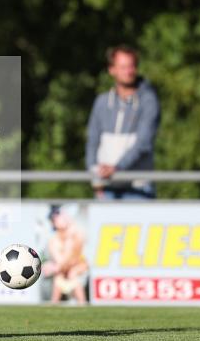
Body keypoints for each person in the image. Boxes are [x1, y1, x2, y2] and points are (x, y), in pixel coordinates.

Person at [85, 45, 160, 199]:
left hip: (138, 187)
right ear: (112, 69)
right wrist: (95, 177)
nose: (129, 71)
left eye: (132, 66)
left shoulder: (148, 101)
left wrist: (117, 168)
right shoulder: (102, 102)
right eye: (123, 67)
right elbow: (92, 141)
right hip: (107, 187)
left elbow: (143, 143)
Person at [41, 205, 88, 305]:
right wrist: (56, 267)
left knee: (73, 273)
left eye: (60, 216)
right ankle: (55, 305)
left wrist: (54, 267)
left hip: (78, 267)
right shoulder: (54, 240)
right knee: (60, 276)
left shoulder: (76, 233)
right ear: (53, 223)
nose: (60, 219)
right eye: (55, 219)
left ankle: (82, 305)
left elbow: (74, 257)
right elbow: (61, 261)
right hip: (64, 269)